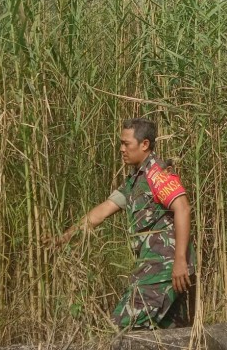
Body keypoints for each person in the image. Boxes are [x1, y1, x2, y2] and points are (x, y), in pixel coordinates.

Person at [50, 118, 194, 329]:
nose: (121, 149)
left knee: (121, 328)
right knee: (171, 338)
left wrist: (180, 261)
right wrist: (64, 237)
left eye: (127, 144)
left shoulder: (157, 175)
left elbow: (182, 208)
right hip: (157, 269)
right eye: (121, 143)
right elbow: (102, 211)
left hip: (163, 268)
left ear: (144, 144)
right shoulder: (134, 181)